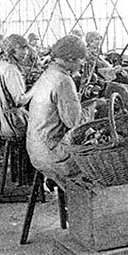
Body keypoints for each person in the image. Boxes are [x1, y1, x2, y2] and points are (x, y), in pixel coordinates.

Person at [25, 35, 85, 180]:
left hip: (34, 149)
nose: (81, 65)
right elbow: (74, 123)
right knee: (99, 164)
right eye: (80, 60)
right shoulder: (64, 80)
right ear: (70, 58)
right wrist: (92, 108)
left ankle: (56, 186)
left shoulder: (48, 73)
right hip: (53, 156)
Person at [0, 34, 30, 140]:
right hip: (12, 121)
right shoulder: (10, 69)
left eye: (26, 48)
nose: (25, 52)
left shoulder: (2, 65)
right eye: (21, 48)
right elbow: (19, 101)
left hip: (0, 119)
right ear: (11, 50)